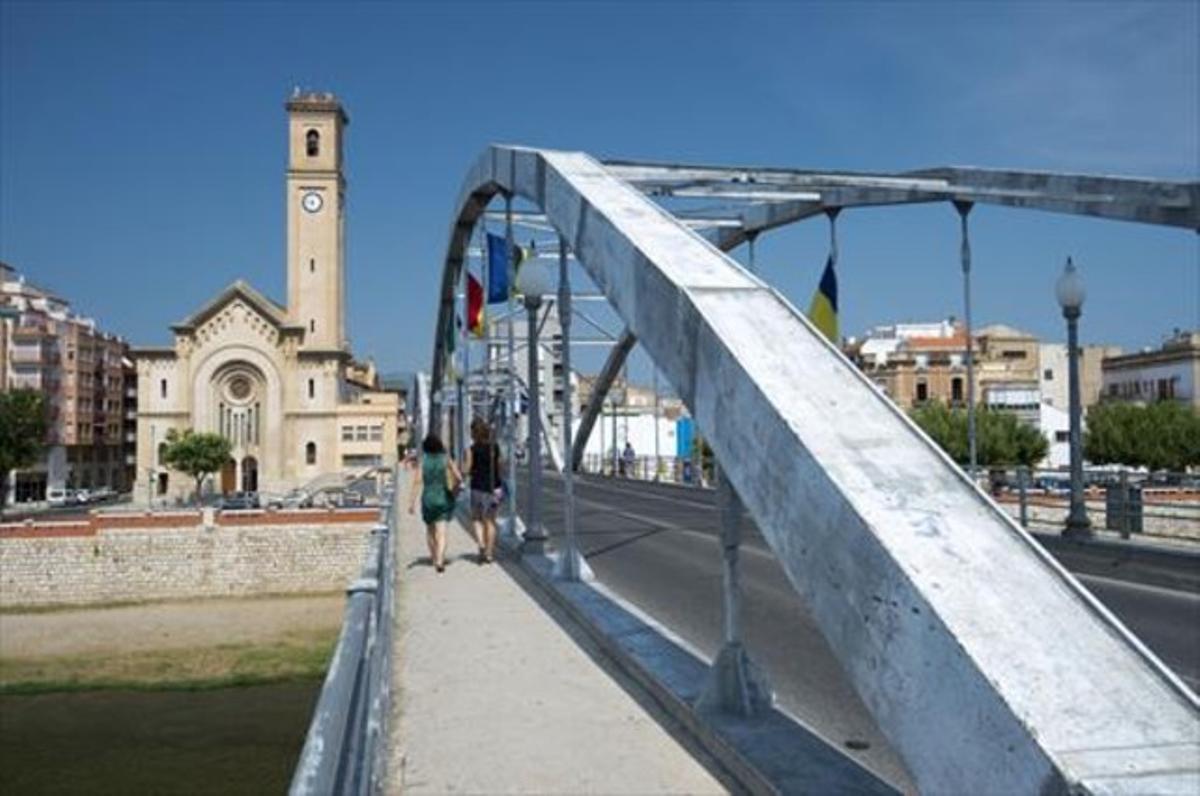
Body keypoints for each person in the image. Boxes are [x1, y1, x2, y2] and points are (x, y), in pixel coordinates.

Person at [407, 432, 462, 573]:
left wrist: (412, 502)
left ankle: (433, 557)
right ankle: (440, 560)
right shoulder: (445, 459)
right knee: (442, 531)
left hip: (428, 498)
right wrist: (455, 490)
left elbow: (417, 482)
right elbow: (459, 477)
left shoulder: (423, 461)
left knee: (430, 530)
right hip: (443, 496)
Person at [465, 419, 504, 564]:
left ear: (473, 433)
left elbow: (468, 468)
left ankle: (481, 544)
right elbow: (500, 465)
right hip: (494, 488)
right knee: (491, 521)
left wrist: (465, 473)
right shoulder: (495, 448)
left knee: (476, 519)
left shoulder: (472, 449)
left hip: (477, 487)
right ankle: (489, 553)